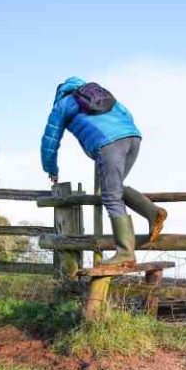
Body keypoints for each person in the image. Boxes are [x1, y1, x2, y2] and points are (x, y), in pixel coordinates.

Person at [41, 76, 167, 268]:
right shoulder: (102, 94)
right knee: (114, 189)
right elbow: (127, 114)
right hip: (133, 137)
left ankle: (125, 252)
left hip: (108, 143)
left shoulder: (63, 103)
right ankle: (153, 212)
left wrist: (51, 168)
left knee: (110, 196)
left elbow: (51, 139)